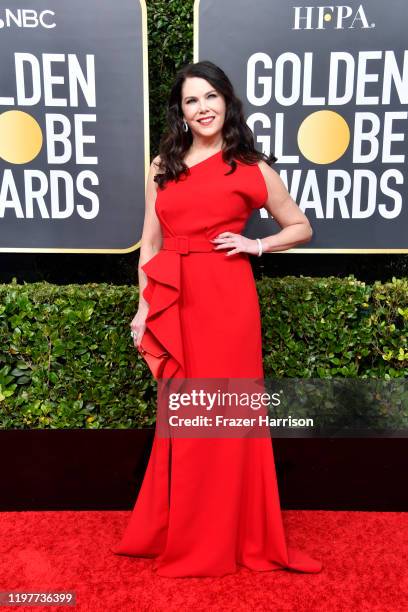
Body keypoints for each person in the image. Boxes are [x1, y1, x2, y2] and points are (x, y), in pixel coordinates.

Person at [112, 60, 323, 577]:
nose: (202, 108)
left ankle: (233, 535)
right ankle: (178, 528)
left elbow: (300, 225)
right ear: (180, 111)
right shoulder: (163, 165)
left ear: (226, 101)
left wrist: (257, 243)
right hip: (174, 300)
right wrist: (144, 307)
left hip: (227, 300)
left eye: (210, 97)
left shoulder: (250, 166)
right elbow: (151, 241)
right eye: (191, 101)